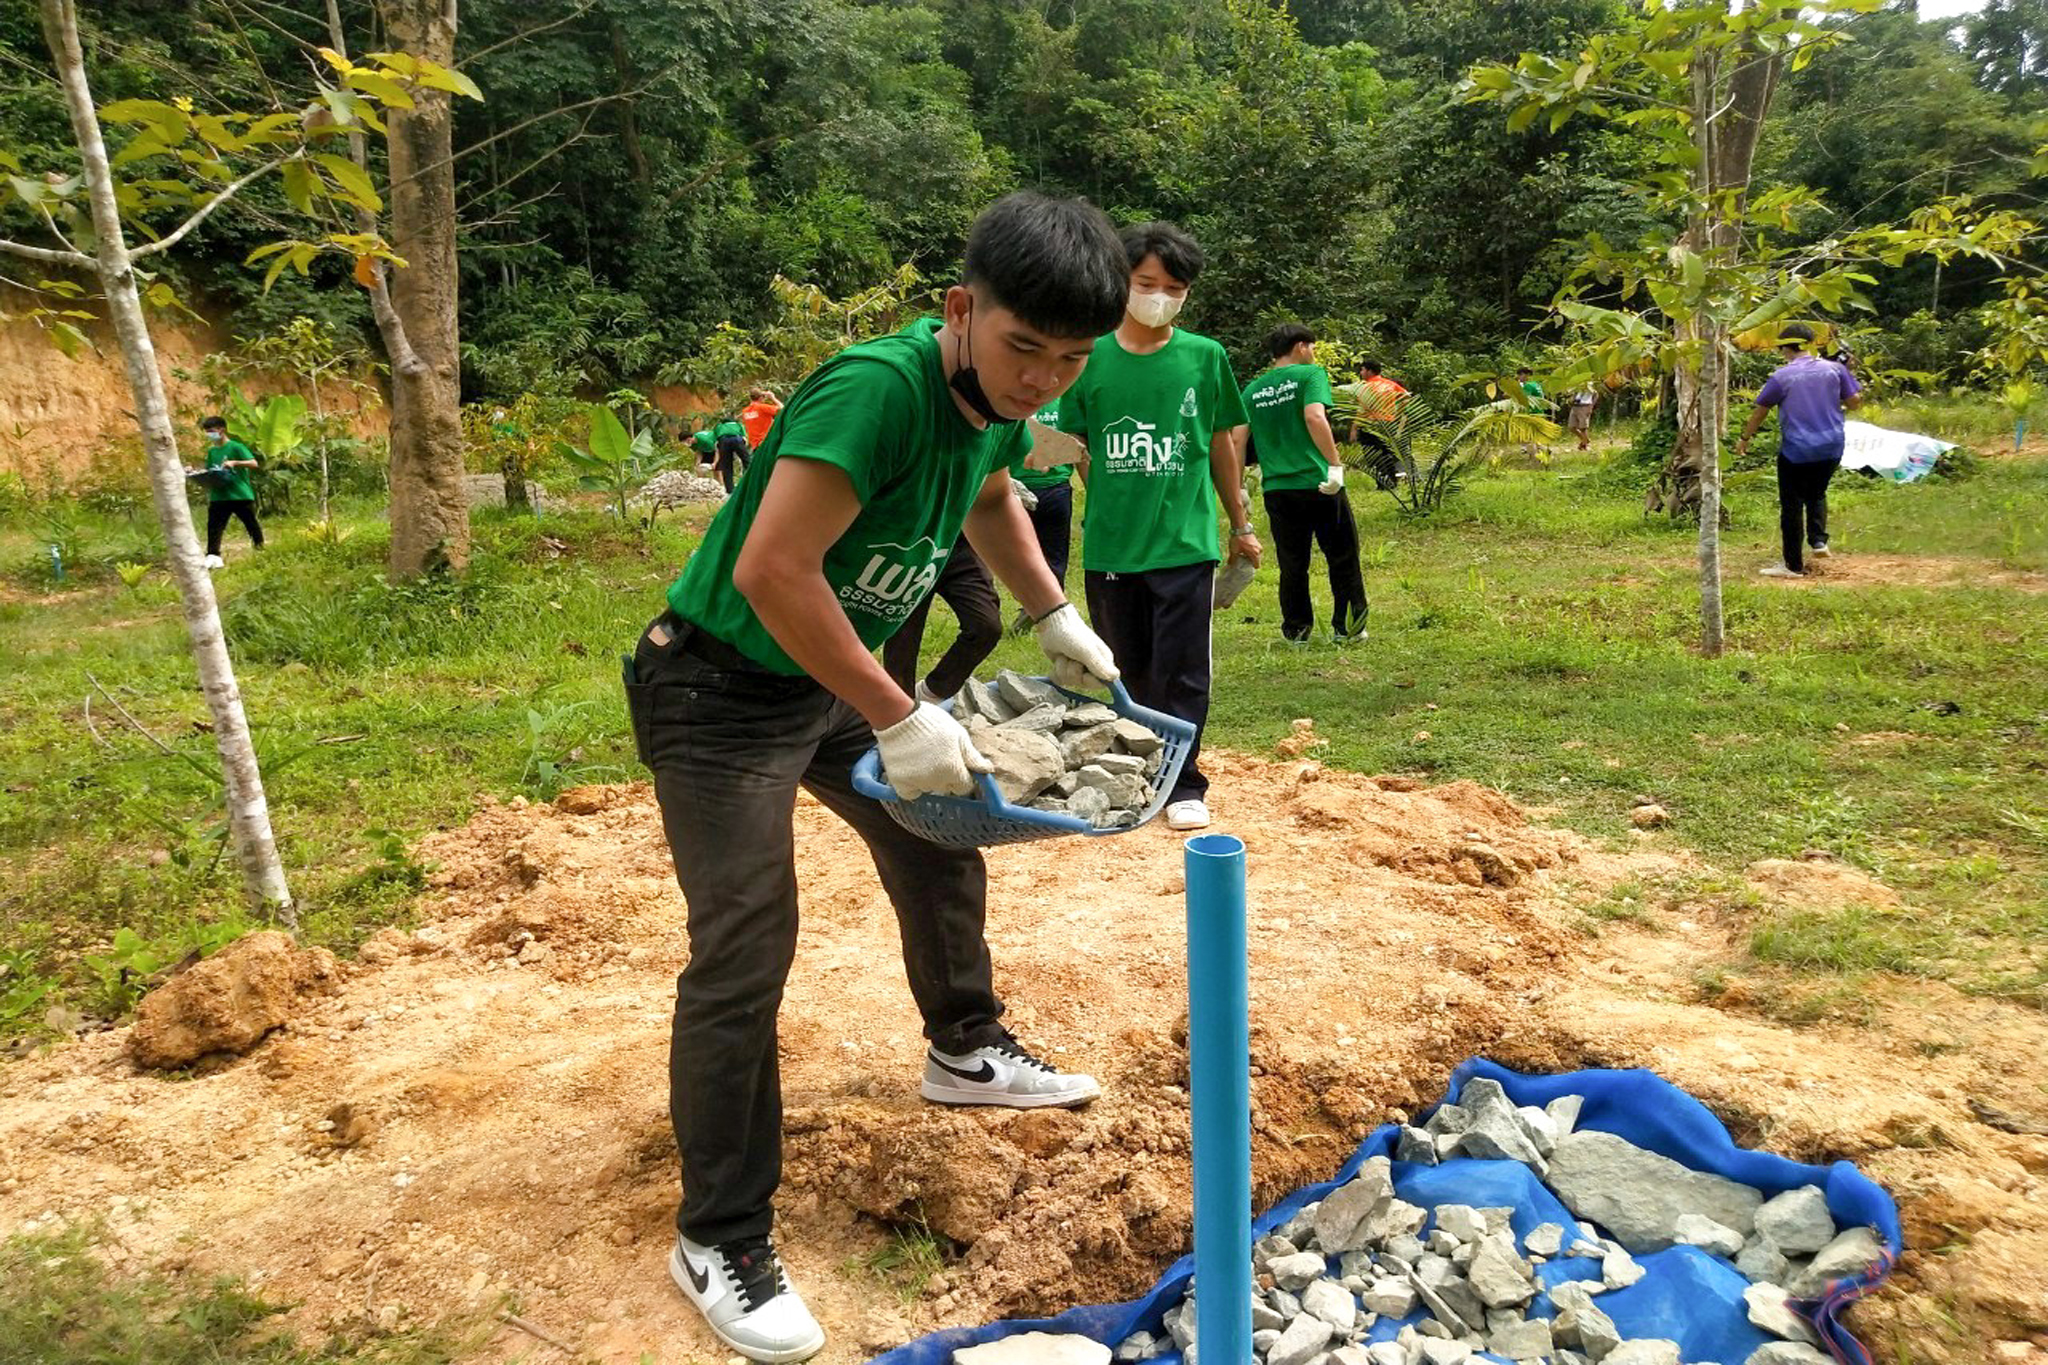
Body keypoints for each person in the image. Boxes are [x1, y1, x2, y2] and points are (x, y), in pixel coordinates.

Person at [621, 191, 1127, 1364]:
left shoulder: (995, 402)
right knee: (746, 941)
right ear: (961, 308)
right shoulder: (876, 389)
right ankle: (719, 1235)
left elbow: (991, 491)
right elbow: (774, 570)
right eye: (1022, 349)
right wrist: (895, 710)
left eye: (1067, 361)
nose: (1040, 380)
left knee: (944, 826)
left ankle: (965, 1048)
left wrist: (1053, 611)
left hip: (817, 686)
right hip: (715, 691)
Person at [1058, 220, 1256, 832]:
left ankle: (1185, 783)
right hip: (1112, 544)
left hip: (1185, 540)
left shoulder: (1205, 357)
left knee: (1183, 667)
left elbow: (1222, 442)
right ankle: (1140, 772)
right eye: (1148, 282)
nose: (1160, 296)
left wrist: (1239, 522)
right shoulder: (1087, 357)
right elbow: (1078, 443)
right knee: (1126, 666)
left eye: (1175, 287)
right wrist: (1111, 497)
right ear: (1122, 281)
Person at [1243, 324, 1368, 645]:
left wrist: (1237, 486)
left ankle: (1296, 630)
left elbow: (1237, 439)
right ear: (1300, 347)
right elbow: (1314, 416)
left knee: (1292, 562)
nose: (1313, 353)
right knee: (1342, 555)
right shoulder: (1310, 376)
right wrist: (1335, 464)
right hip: (1318, 482)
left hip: (1277, 489)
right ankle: (1349, 629)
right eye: (1312, 347)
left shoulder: (1253, 390)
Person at [1737, 322, 1861, 578]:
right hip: (1832, 446)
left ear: (1785, 349)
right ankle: (1818, 541)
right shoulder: (1836, 370)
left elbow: (1760, 410)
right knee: (1817, 492)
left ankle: (1793, 565)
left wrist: (1745, 438)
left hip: (1797, 450)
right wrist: (1851, 374)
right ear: (1811, 344)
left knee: (1792, 505)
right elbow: (1854, 403)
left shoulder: (1782, 377)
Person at [880, 535, 1002, 704]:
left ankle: (931, 694)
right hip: (912, 543)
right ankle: (898, 706)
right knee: (903, 635)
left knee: (986, 626)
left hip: (959, 544)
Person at [1004, 401, 1079, 634]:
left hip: (1024, 488)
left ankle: (1033, 606)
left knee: (1020, 555)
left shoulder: (1016, 401)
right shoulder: (1064, 402)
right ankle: (1052, 616)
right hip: (1051, 488)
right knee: (1054, 555)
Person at [190, 415, 262, 569]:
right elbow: (210, 470)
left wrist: (235, 462)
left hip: (240, 495)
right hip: (219, 496)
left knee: (251, 524)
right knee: (214, 526)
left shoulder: (236, 447)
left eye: (211, 431)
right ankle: (213, 556)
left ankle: (260, 549)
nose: (209, 434)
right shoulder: (212, 452)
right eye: (207, 432)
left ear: (221, 430)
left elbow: (254, 463)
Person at [1346, 359, 1410, 489]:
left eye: (1362, 369)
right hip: (1388, 423)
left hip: (1370, 424)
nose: (1361, 372)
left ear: (1369, 371)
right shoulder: (1390, 384)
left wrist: (1354, 429)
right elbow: (1406, 396)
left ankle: (1383, 485)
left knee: (1373, 455)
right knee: (1387, 453)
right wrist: (1397, 413)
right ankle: (1392, 482)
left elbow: (1361, 410)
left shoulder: (1365, 387)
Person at [712, 413, 751, 493]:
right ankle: (749, 481)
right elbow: (744, 437)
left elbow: (715, 439)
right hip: (737, 439)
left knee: (726, 466)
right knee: (747, 461)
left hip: (723, 441)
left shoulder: (719, 426)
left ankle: (730, 490)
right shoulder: (738, 424)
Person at [1566, 384, 1598, 451]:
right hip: (1575, 406)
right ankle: (1585, 440)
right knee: (1571, 427)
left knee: (1583, 427)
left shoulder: (1590, 384)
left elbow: (1596, 394)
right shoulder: (1577, 383)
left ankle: (1585, 444)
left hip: (1585, 406)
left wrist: (1591, 406)